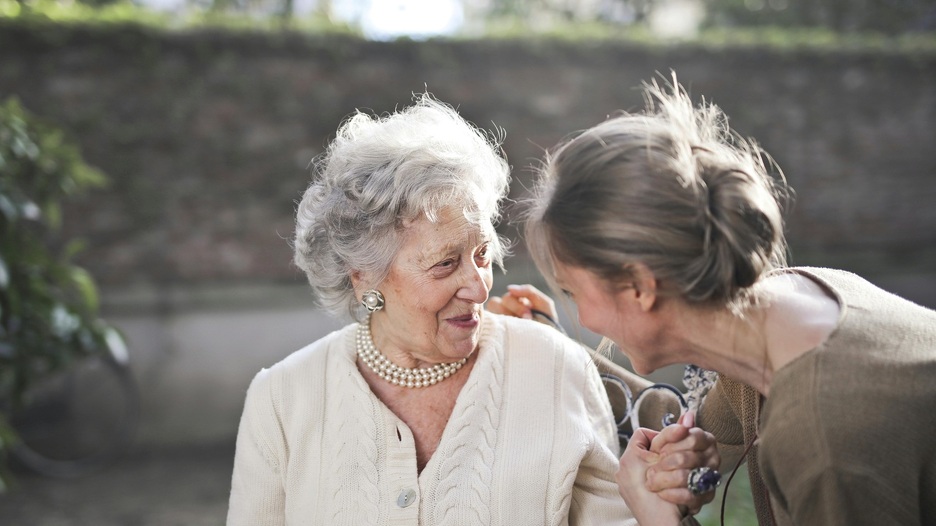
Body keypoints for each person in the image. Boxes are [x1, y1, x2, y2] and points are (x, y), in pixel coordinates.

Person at [226, 94, 718, 525]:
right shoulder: (282, 399)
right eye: (445, 264)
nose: (479, 287)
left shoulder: (553, 367)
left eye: (482, 255)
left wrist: (660, 495)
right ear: (364, 277)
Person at [516, 74, 936, 525]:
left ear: (639, 285)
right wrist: (547, 345)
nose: (582, 316)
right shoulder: (793, 306)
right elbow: (687, 419)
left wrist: (660, 518)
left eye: (572, 292)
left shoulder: (823, 441)